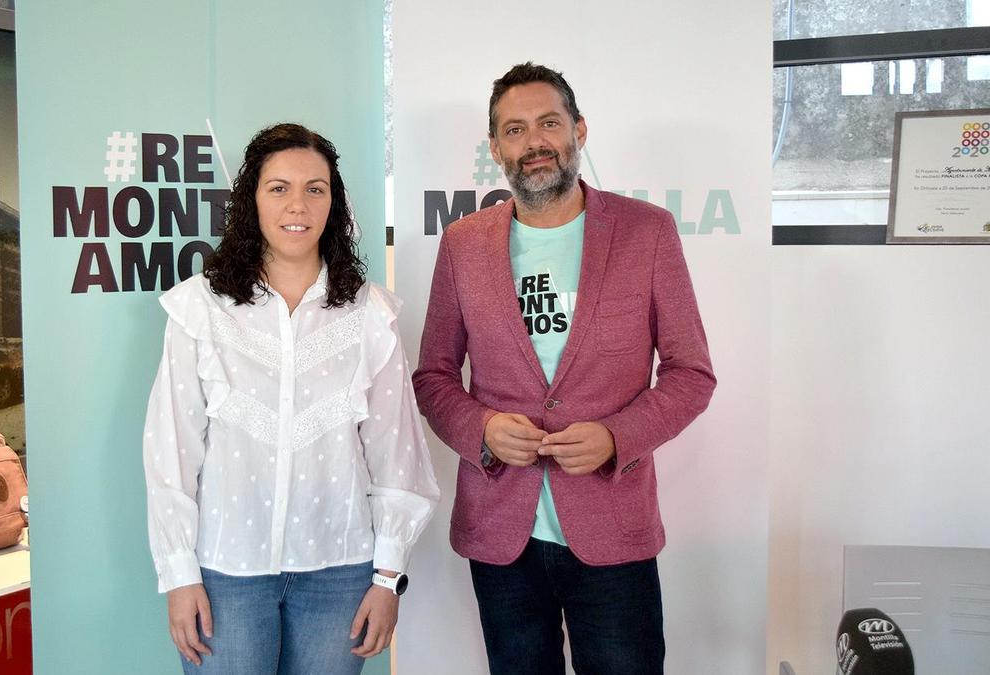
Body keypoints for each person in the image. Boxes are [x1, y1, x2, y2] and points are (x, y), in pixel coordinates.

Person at [412, 62, 716, 674]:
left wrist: (615, 437)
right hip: (502, 536)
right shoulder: (463, 245)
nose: (535, 143)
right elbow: (434, 377)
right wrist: (483, 430)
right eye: (515, 130)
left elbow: (691, 373)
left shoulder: (645, 233)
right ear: (496, 148)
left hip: (612, 528)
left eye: (549, 123)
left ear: (579, 130)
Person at [143, 123, 439, 674]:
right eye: (278, 187)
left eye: (315, 188)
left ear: (335, 203)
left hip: (342, 573)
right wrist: (179, 572)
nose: (296, 204)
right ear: (251, 199)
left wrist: (388, 578)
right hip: (226, 572)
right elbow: (171, 453)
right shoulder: (199, 310)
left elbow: (396, 454)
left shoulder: (370, 315)